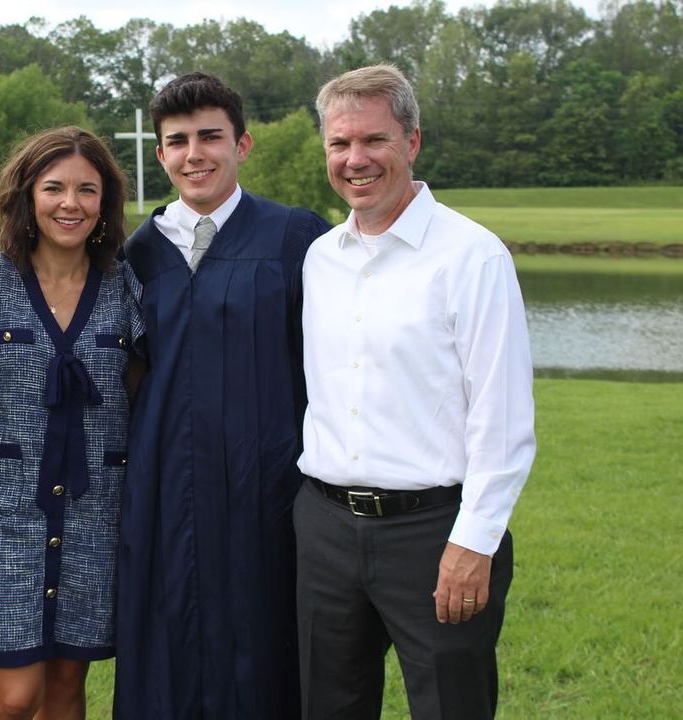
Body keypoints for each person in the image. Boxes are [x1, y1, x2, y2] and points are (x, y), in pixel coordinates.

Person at [295, 64, 537, 719]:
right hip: (324, 527)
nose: (355, 159)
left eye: (374, 139)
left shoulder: (472, 256)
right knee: (327, 706)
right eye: (339, 143)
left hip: (434, 532)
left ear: (412, 142)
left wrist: (474, 541)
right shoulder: (320, 259)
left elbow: (502, 417)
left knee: (450, 706)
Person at [115, 72, 331, 719]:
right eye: (178, 141)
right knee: (167, 642)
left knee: (266, 644)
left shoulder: (295, 238)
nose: (194, 154)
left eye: (210, 137)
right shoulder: (136, 254)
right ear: (160, 154)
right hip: (164, 488)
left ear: (243, 144)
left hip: (267, 486)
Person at [0, 126, 143, 720]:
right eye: (54, 188)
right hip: (5, 516)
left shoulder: (125, 288)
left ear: (104, 202)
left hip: (95, 517)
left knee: (65, 688)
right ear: (27, 195)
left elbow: (145, 395)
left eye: (87, 190)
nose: (70, 203)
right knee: (15, 696)